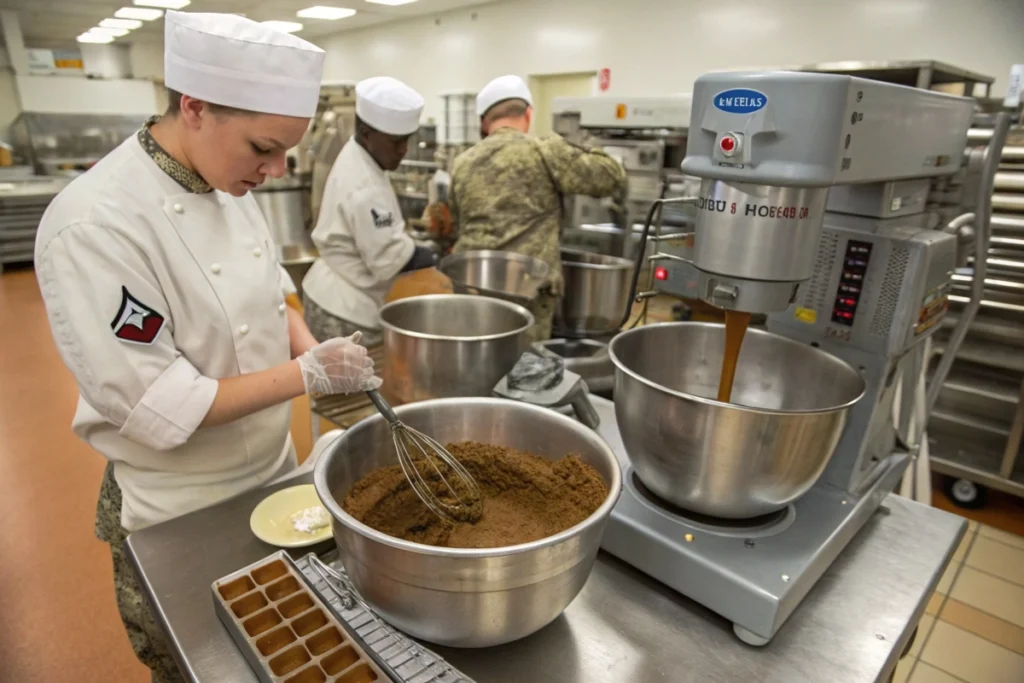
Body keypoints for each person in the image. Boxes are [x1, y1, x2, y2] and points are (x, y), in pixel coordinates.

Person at [34, 11, 381, 682]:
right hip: (178, 506)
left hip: (274, 475)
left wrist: (312, 341)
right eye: (263, 148)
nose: (275, 169)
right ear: (194, 107)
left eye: (286, 152)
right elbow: (158, 404)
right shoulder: (94, 225)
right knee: (202, 661)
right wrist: (307, 373)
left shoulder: (228, 178)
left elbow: (271, 286)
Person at [449, 75, 628, 341]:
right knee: (525, 366)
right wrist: (585, 144)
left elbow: (457, 220)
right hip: (528, 289)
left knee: (477, 357)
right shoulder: (544, 150)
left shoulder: (462, 162)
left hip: (473, 284)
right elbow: (611, 176)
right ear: (528, 114)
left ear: (484, 122)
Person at [302, 76, 438, 346]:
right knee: (352, 387)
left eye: (407, 140)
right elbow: (387, 260)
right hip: (344, 310)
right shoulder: (364, 187)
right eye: (396, 142)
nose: (403, 150)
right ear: (367, 134)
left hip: (334, 294)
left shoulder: (362, 154)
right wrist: (434, 255)